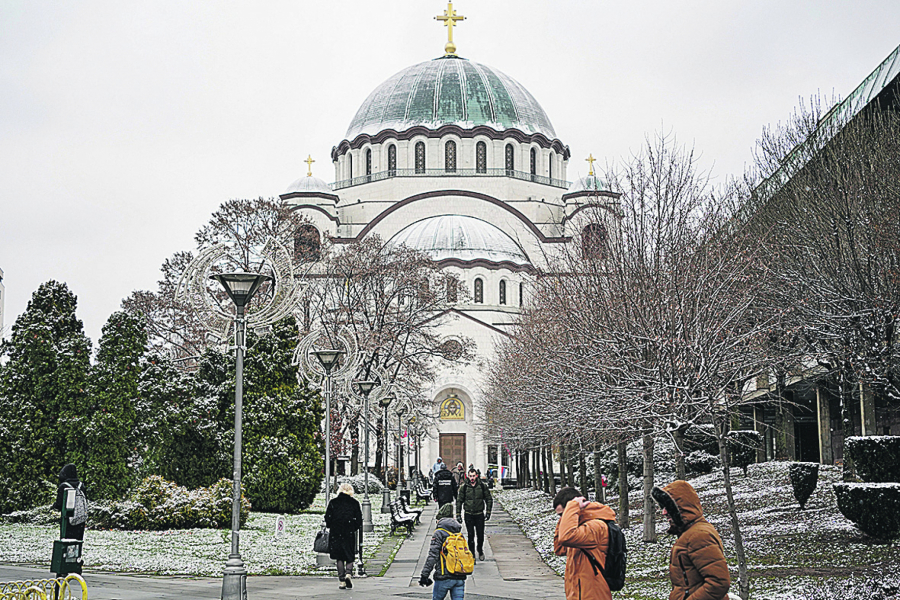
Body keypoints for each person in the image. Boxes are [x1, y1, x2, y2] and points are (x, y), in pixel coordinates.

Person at [652, 480, 731, 600]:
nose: (664, 512)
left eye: (668, 507)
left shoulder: (698, 536)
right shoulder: (690, 533)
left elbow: (718, 583)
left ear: (682, 507)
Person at [552, 486, 617, 600]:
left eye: (563, 514)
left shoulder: (596, 526)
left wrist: (571, 509)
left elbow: (566, 538)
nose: (563, 518)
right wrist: (566, 518)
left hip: (593, 595)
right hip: (578, 594)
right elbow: (559, 549)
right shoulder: (576, 527)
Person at [419, 502, 467, 600]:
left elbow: (433, 556)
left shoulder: (439, 533)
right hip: (459, 575)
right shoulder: (457, 532)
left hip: (444, 576)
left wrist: (425, 575)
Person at [325, 482, 363, 590]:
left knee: (339, 557)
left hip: (336, 532)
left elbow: (328, 518)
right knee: (349, 555)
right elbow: (359, 520)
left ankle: (342, 581)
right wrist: (353, 527)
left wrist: (331, 525)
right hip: (349, 532)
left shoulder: (333, 502)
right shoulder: (354, 503)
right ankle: (348, 574)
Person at [456, 467, 492, 562]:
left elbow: (488, 499)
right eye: (470, 476)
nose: (472, 478)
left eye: (473, 476)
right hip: (469, 514)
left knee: (480, 535)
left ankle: (480, 550)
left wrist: (488, 512)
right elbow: (459, 501)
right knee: (470, 535)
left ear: (476, 476)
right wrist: (458, 514)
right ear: (468, 476)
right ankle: (471, 554)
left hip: (479, 514)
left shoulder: (482, 486)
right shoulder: (464, 487)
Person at [51, 463, 87, 541]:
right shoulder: (81, 485)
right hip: (80, 518)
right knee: (77, 542)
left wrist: (54, 506)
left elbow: (59, 504)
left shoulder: (64, 486)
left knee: (66, 540)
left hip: (67, 519)